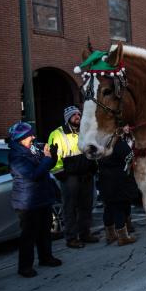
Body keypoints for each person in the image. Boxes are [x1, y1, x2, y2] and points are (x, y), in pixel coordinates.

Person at [8, 122, 62, 278]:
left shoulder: (32, 149)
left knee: (44, 231)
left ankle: (46, 258)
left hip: (42, 198)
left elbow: (47, 167)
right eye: (29, 135)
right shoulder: (15, 156)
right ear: (21, 138)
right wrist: (45, 159)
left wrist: (53, 155)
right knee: (28, 235)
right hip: (27, 202)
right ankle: (25, 267)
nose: (33, 137)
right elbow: (33, 174)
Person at [48, 106, 99, 248]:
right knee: (69, 208)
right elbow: (53, 157)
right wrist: (60, 173)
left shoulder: (85, 131)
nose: (78, 116)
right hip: (69, 177)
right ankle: (71, 238)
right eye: (74, 115)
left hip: (86, 174)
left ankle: (85, 233)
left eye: (79, 114)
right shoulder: (57, 134)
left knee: (86, 206)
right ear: (67, 118)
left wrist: (94, 165)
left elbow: (92, 149)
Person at [97, 125, 139, 245]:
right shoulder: (118, 143)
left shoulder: (101, 143)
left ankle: (110, 234)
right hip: (119, 180)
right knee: (120, 207)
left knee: (109, 207)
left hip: (105, 180)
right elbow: (129, 157)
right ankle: (123, 237)